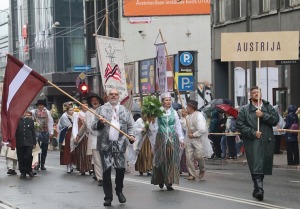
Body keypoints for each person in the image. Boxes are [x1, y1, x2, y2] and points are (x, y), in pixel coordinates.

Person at [92, 88, 135, 206]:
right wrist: (100, 123)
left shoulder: (125, 110)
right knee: (106, 171)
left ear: (118, 96)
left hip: (120, 144)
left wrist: (131, 135)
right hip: (105, 145)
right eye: (111, 94)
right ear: (107, 96)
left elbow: (131, 125)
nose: (114, 96)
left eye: (116, 94)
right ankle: (108, 197)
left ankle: (119, 190)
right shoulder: (100, 110)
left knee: (120, 169)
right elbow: (93, 126)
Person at [236, 86, 279, 201]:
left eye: (258, 92)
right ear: (250, 96)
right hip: (252, 140)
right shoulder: (244, 109)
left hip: (267, 140)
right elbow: (239, 125)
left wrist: (263, 115)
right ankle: (260, 189)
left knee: (263, 164)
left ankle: (256, 188)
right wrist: (253, 133)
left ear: (261, 93)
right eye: (254, 92)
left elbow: (275, 120)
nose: (256, 94)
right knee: (256, 163)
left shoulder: (268, 106)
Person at [149, 92, 184, 190]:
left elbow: (178, 126)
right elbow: (154, 127)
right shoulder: (158, 112)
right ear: (162, 102)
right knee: (161, 159)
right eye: (166, 100)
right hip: (161, 137)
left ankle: (169, 181)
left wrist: (181, 138)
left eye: (169, 100)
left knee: (171, 159)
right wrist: (151, 122)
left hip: (173, 138)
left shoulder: (174, 113)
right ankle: (160, 179)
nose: (168, 102)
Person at [76, 93, 104, 186]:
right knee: (97, 159)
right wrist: (79, 135)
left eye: (96, 100)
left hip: (105, 139)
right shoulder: (88, 112)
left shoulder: (105, 110)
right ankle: (100, 178)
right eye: (92, 101)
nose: (94, 102)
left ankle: (104, 175)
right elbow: (87, 125)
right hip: (94, 138)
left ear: (99, 101)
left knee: (105, 159)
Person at [181, 100, 213, 180]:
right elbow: (184, 126)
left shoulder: (199, 116)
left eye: (188, 106)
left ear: (192, 107)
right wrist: (183, 117)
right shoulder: (187, 116)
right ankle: (192, 174)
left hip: (197, 139)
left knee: (199, 155)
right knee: (188, 157)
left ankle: (202, 169)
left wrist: (194, 135)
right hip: (188, 138)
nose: (187, 108)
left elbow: (202, 129)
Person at [31, 99, 54, 170]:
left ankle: (42, 164)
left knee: (44, 149)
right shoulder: (33, 112)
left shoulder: (47, 112)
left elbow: (50, 122)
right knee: (36, 149)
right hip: (36, 132)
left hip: (45, 132)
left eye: (42, 105)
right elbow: (31, 121)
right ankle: (37, 164)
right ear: (37, 106)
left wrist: (51, 132)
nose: (41, 106)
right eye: (39, 105)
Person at [73, 101, 93, 175]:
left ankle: (90, 167)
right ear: (81, 106)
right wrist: (76, 136)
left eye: (86, 105)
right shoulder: (77, 114)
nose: (85, 106)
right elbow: (75, 126)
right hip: (81, 135)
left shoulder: (91, 113)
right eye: (83, 105)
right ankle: (82, 168)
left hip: (89, 134)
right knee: (82, 152)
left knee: (90, 152)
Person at [15, 110, 36, 178]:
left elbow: (33, 132)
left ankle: (29, 170)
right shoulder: (17, 121)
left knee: (28, 156)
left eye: (24, 112)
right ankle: (23, 171)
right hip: (20, 142)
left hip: (29, 142)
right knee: (20, 157)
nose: (23, 113)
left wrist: (34, 142)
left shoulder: (30, 121)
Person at [58, 104, 76, 173]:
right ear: (67, 111)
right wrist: (71, 124)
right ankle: (68, 165)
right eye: (70, 110)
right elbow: (64, 126)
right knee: (67, 150)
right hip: (67, 134)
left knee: (73, 149)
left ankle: (72, 164)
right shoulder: (64, 117)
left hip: (74, 133)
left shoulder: (75, 116)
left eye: (72, 110)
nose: (72, 111)